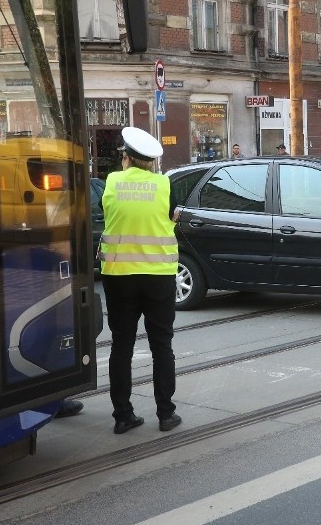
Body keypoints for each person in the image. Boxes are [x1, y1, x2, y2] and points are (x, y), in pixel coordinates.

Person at [100, 127, 181, 434]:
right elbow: (169, 219)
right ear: (150, 161)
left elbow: (109, 215)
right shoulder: (164, 185)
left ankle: (123, 415)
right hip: (158, 277)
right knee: (162, 345)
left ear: (126, 158)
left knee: (121, 346)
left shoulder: (112, 182)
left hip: (119, 276)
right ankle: (166, 414)